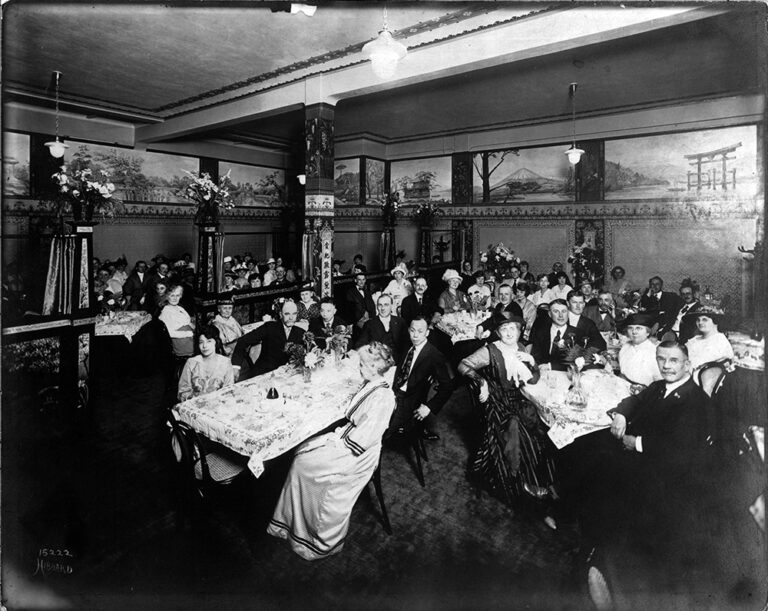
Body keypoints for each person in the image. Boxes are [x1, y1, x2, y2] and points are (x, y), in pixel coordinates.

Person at [267, 342, 396, 561]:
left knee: (305, 466)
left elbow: (363, 440)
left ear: (375, 367)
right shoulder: (373, 384)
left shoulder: (384, 397)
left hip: (358, 453)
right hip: (350, 438)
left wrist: (334, 445)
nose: (359, 368)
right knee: (302, 451)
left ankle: (315, 537)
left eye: (363, 365)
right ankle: (290, 523)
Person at [458, 314, 555, 508]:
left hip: (517, 398)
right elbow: (463, 365)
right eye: (504, 329)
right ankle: (519, 481)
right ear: (498, 332)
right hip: (497, 400)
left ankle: (542, 479)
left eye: (513, 328)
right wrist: (481, 381)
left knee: (538, 424)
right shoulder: (490, 351)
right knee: (515, 427)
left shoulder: (521, 348)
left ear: (519, 331)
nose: (509, 333)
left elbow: (533, 379)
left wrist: (532, 361)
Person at [390, 316, 453, 440]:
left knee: (381, 429)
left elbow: (448, 386)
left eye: (420, 331)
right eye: (412, 330)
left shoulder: (434, 355)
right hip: (393, 389)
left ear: (427, 333)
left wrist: (429, 407)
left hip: (408, 400)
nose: (415, 335)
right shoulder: (408, 344)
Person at [231, 300, 304, 380]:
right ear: (281, 314)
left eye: (294, 314)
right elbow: (243, 341)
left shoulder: (301, 332)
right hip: (264, 373)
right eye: (287, 314)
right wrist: (236, 367)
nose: (291, 318)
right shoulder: (269, 327)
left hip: (288, 376)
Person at [177, 325, 234, 401]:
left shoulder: (225, 362)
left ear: (216, 342)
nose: (204, 346)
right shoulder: (191, 362)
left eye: (209, 341)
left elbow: (229, 391)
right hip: (196, 404)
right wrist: (195, 399)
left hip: (219, 404)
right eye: (201, 342)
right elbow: (183, 392)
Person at [529, 299, 582, 371]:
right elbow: (535, 357)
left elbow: (577, 362)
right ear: (550, 314)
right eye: (556, 311)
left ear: (568, 313)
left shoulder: (578, 334)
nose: (561, 315)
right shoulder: (541, 332)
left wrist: (551, 366)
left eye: (564, 311)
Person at [355, 293, 408, 363]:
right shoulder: (369, 324)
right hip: (378, 363)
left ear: (391, 306)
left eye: (386, 305)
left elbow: (406, 344)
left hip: (399, 362)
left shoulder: (400, 322)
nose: (383, 308)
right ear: (377, 307)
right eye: (380, 305)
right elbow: (360, 345)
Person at [618, 313, 663, 390]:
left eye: (638, 328)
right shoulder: (625, 346)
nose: (634, 332)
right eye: (630, 328)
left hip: (643, 392)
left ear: (647, 332)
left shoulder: (654, 352)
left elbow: (659, 382)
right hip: (622, 385)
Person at [158, 284, 195, 357]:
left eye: (177, 295)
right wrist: (189, 333)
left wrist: (191, 325)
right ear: (167, 296)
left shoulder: (179, 308)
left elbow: (187, 321)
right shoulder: (166, 311)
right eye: (172, 295)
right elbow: (169, 333)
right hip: (181, 344)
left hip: (189, 340)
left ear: (181, 296)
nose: (175, 298)